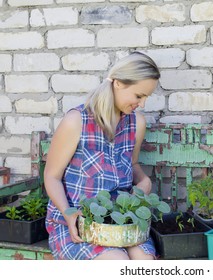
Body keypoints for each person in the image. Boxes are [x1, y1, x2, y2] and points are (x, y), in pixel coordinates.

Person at [44, 52, 160, 260]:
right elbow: (51, 176)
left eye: (146, 97)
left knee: (145, 263)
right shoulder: (76, 121)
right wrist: (69, 214)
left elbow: (132, 164)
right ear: (118, 84)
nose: (142, 104)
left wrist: (143, 180)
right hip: (78, 222)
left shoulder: (136, 123)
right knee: (117, 263)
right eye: (139, 96)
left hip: (120, 219)